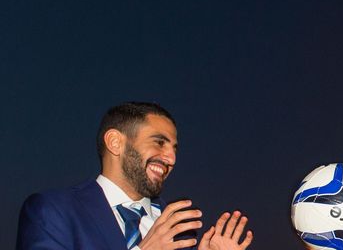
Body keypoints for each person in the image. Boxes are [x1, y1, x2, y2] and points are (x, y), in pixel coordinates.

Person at [17, 101, 254, 250]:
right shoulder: (52, 212)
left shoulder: (179, 232)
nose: (171, 158)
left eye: (174, 149)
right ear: (115, 143)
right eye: (159, 142)